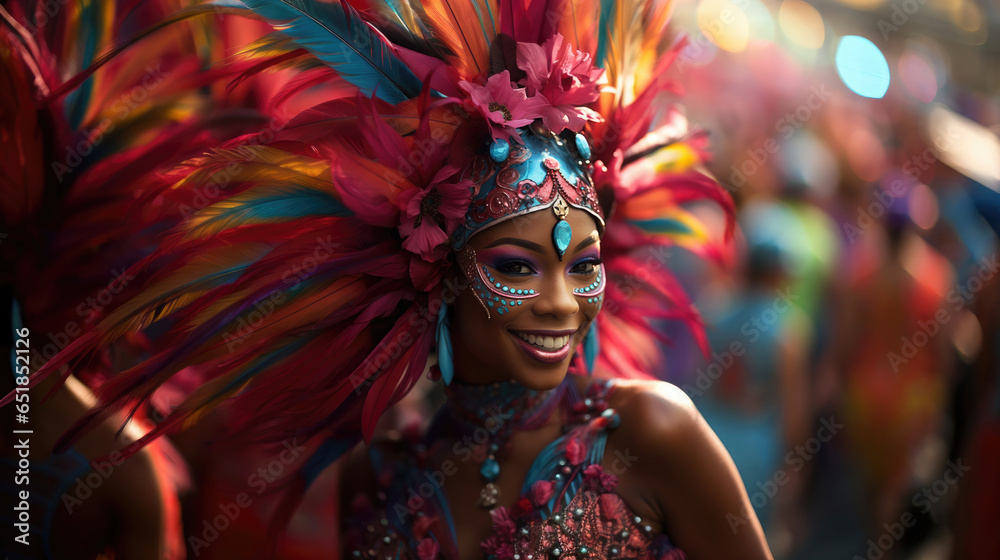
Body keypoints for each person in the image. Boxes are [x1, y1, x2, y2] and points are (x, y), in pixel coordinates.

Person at [4, 0, 772, 558]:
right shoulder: (378, 474)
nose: (562, 304)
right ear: (436, 269)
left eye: (584, 266)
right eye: (515, 267)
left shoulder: (650, 433)